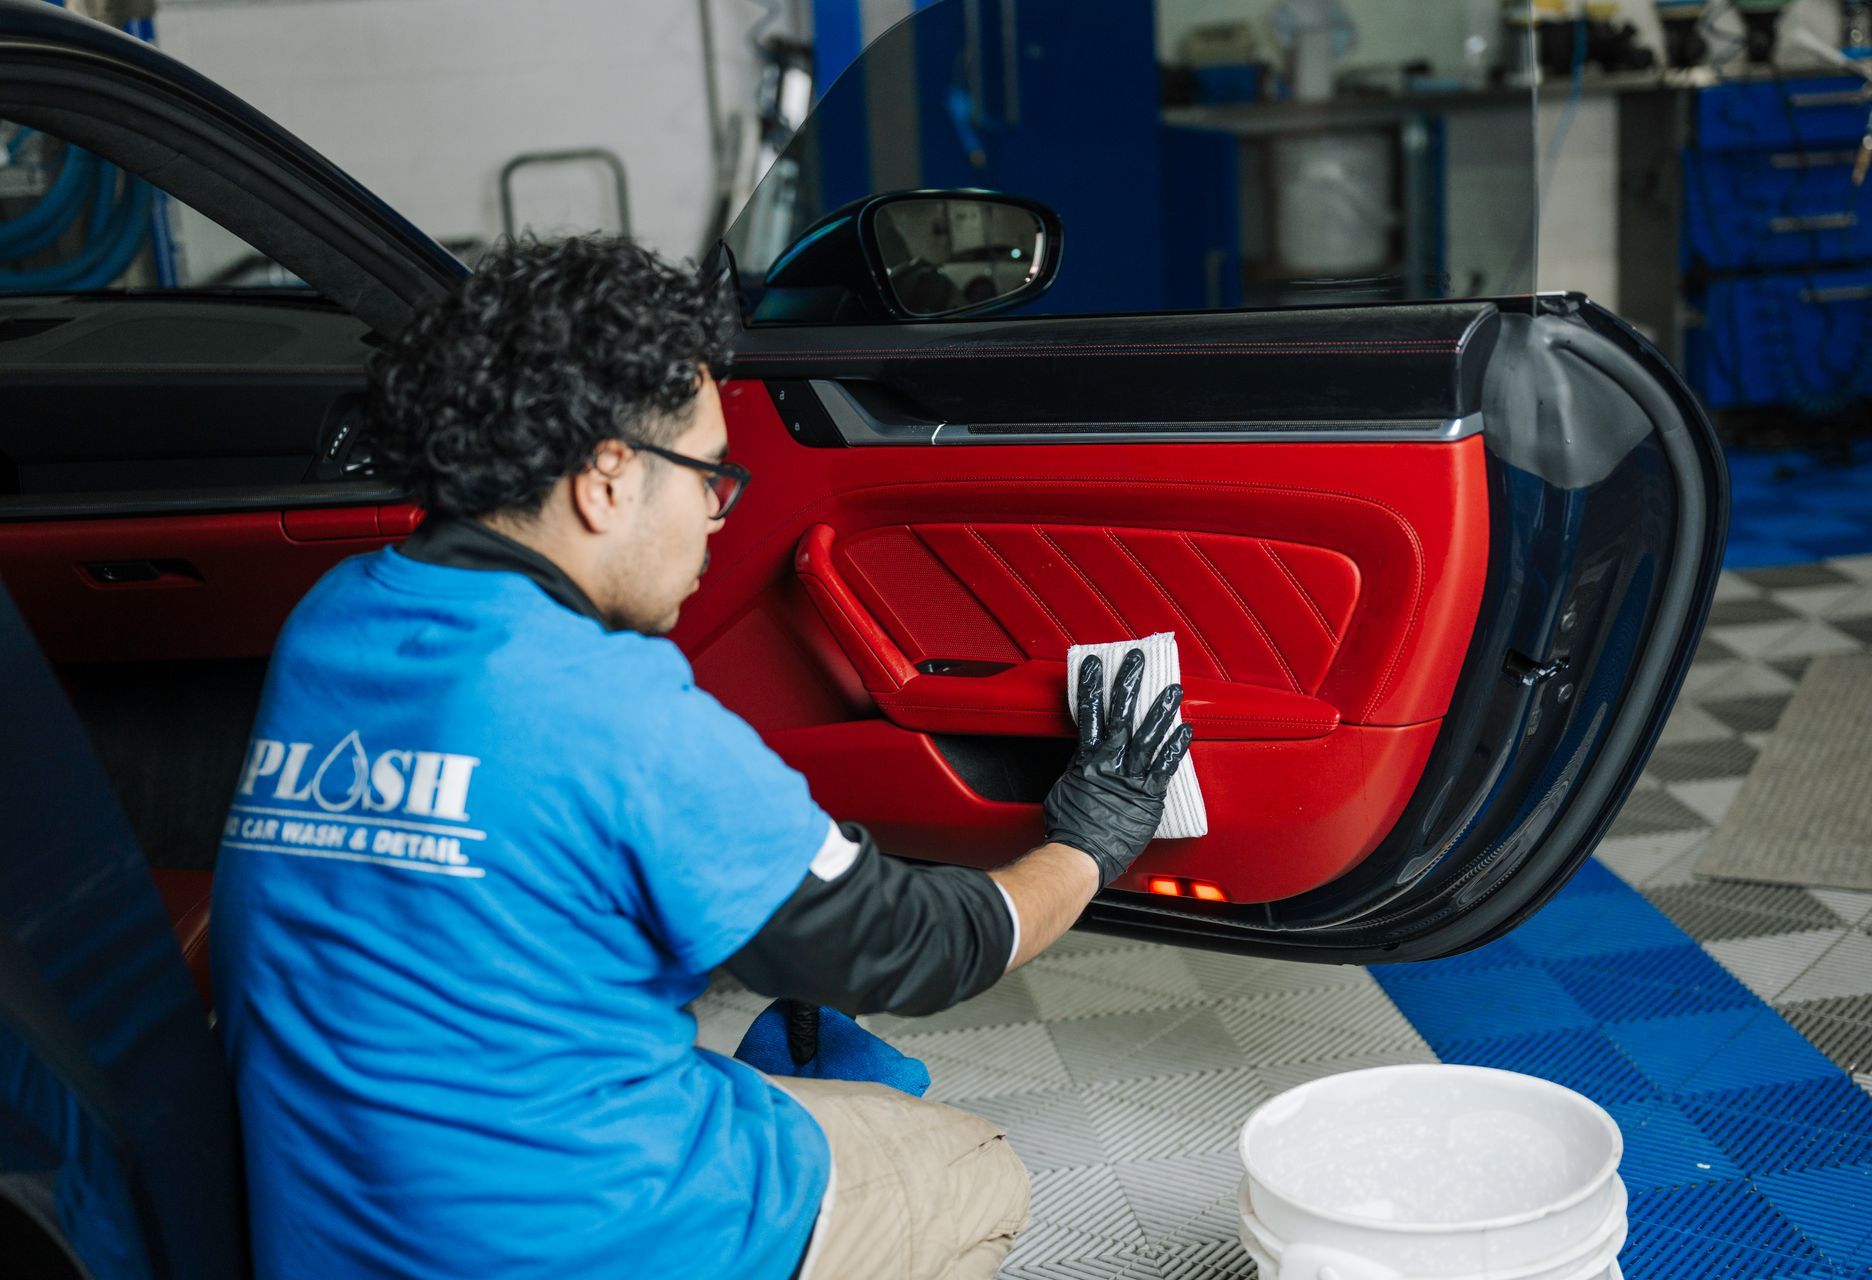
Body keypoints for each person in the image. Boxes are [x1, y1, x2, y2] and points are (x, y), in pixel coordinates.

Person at [209, 236, 1192, 1280]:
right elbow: (918, 947)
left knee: (763, 1084)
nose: (721, 513)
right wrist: (1087, 844)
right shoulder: (609, 706)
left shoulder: (333, 619)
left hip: (327, 1237)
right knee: (978, 1165)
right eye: (711, 473)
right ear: (608, 478)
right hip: (580, 1243)